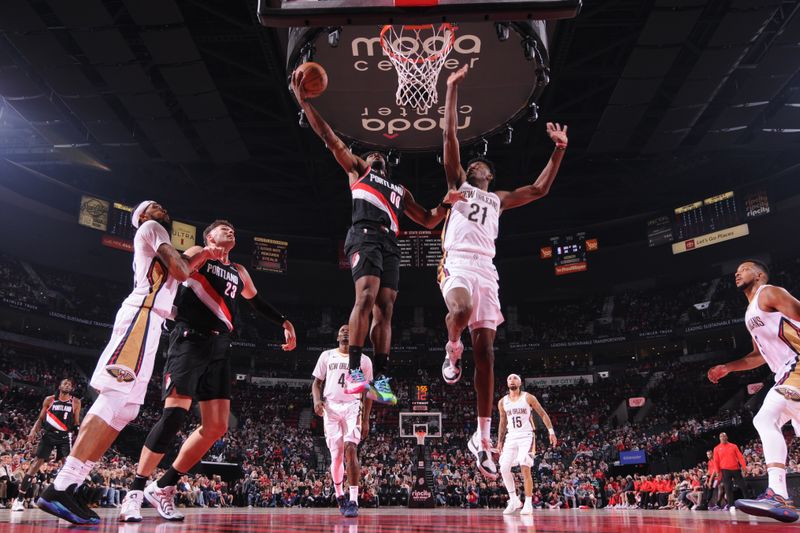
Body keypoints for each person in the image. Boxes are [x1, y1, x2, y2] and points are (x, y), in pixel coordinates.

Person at [36, 200, 223, 525]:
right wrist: (205, 252)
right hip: (140, 317)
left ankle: (71, 485)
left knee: (126, 410)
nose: (162, 207)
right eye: (154, 205)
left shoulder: (157, 239)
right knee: (113, 398)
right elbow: (180, 270)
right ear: (143, 216)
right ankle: (60, 485)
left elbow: (174, 277)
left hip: (154, 323)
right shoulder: (153, 229)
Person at [291, 68, 463, 406]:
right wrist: (306, 104)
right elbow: (329, 137)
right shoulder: (359, 171)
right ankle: (355, 371)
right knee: (365, 297)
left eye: (380, 156)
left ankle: (380, 378)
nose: (376, 157)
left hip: (390, 242)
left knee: (386, 308)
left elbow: (429, 220)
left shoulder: (400, 189)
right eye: (372, 154)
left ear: (388, 163)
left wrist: (447, 202)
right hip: (364, 234)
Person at [120, 219, 296, 522]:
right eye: (223, 228)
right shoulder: (198, 253)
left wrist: (284, 322)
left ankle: (163, 486)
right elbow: (180, 270)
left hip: (220, 348)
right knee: (174, 415)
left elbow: (257, 303)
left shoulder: (240, 271)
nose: (230, 231)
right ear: (209, 236)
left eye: (233, 230)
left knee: (216, 427)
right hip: (190, 338)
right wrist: (205, 253)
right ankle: (134, 492)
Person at [440, 64, 568, 478]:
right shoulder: (459, 185)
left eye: (482, 166)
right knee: (458, 312)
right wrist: (452, 88)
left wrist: (559, 149)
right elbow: (449, 138)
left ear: (490, 175)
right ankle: (450, 346)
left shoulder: (498, 199)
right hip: (457, 261)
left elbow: (540, 189)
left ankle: (481, 438)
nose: (475, 166)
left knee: (488, 355)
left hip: (486, 269)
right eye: (472, 164)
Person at [708, 259, 800, 523]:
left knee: (765, 418)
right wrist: (728, 367)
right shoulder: (751, 313)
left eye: (745, 268)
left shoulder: (770, 292)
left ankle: (779, 495)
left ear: (759, 275)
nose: (738, 272)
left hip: (798, 365)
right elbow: (757, 356)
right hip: (785, 373)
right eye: (736, 270)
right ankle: (780, 497)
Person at [311, 324, 372, 518]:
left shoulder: (363, 360)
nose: (346, 331)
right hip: (331, 408)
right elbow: (316, 383)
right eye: (342, 330)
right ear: (338, 336)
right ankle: (339, 496)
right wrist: (316, 400)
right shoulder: (327, 356)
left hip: (353, 406)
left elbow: (368, 393)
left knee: (351, 449)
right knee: (336, 456)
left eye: (349, 329)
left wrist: (366, 420)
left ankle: (353, 500)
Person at [12, 378, 81, 512]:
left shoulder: (76, 402)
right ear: (60, 385)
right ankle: (19, 499)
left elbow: (76, 422)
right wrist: (33, 430)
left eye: (70, 384)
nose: (67, 385)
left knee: (68, 467)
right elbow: (41, 418)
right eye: (65, 383)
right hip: (49, 435)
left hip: (65, 436)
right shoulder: (49, 400)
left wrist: (78, 434)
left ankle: (67, 501)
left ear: (71, 388)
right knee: (36, 464)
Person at [496, 374, 557, 515]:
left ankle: (528, 503)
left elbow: (542, 413)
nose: (512, 380)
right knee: (504, 468)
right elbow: (502, 422)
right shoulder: (502, 402)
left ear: (520, 382)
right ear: (507, 383)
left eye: (514, 378)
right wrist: (500, 441)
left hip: (527, 436)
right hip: (511, 437)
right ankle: (514, 500)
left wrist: (551, 432)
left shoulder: (528, 397)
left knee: (525, 467)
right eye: (509, 378)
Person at [709, 433, 750, 511]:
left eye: (724, 436)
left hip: (736, 469)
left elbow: (740, 457)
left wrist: (744, 467)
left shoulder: (733, 446)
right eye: (721, 436)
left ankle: (749, 503)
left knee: (743, 486)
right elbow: (716, 461)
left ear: (727, 437)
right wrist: (717, 471)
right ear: (719, 438)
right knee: (728, 488)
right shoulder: (716, 448)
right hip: (725, 470)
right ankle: (731, 505)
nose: (723, 437)